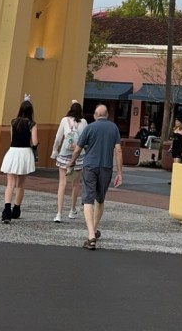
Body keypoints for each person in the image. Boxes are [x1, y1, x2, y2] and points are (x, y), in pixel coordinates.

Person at [68, 103, 122, 250]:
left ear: (95, 115)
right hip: (106, 167)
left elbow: (78, 149)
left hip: (90, 166)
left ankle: (91, 235)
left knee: (87, 199)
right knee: (100, 199)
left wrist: (72, 162)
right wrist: (119, 172)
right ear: (107, 115)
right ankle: (95, 229)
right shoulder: (114, 128)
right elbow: (118, 151)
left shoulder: (90, 128)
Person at [0, 95, 38, 224]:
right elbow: (35, 142)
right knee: (20, 185)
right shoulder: (32, 124)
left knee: (10, 183)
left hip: (13, 151)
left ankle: (6, 211)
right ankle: (16, 209)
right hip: (25, 152)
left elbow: (12, 139)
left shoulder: (13, 122)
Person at [50, 100, 87, 222]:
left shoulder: (64, 120)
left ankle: (59, 213)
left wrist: (55, 150)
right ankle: (72, 210)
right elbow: (86, 139)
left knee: (62, 184)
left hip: (64, 154)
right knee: (75, 184)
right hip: (78, 155)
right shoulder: (83, 122)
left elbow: (58, 138)